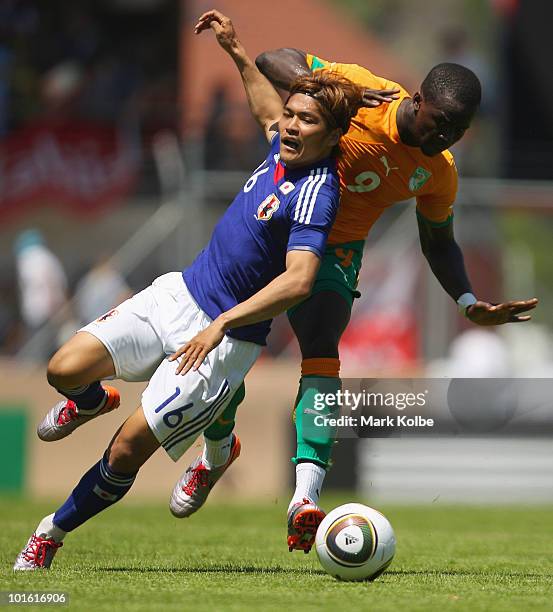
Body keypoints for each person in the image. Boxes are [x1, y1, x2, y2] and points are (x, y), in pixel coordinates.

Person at [14, 10, 366, 571]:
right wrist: (236, 51)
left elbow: (299, 279)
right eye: (293, 116)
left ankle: (49, 533)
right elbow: (263, 106)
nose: (292, 126)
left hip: (222, 341)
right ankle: (90, 401)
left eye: (306, 121)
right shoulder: (285, 144)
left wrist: (222, 324)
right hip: (176, 293)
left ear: (333, 134)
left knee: (127, 449)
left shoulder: (317, 193)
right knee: (63, 367)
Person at [178, 48, 538, 553]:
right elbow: (271, 59)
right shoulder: (366, 92)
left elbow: (439, 242)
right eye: (439, 124)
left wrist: (466, 299)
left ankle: (304, 499)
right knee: (223, 350)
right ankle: (217, 451)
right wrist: (324, 89)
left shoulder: (439, 172)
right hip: (271, 231)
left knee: (323, 346)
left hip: (335, 251)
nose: (444, 138)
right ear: (418, 101)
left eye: (457, 130)